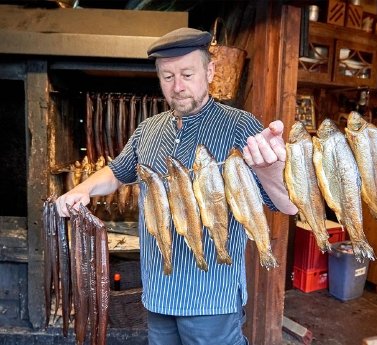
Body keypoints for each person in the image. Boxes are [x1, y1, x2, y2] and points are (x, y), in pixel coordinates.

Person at [56, 27, 298, 345]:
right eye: (167, 77)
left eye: (187, 73)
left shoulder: (240, 126)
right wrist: (82, 189)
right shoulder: (149, 129)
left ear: (210, 71)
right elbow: (116, 172)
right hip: (158, 292)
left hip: (210, 298)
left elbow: (287, 205)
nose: (178, 86)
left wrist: (271, 170)